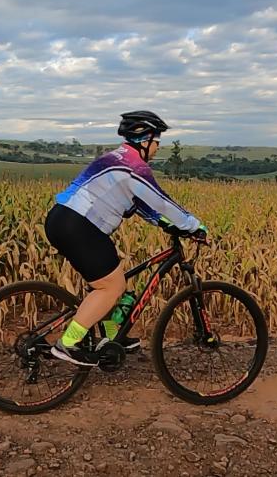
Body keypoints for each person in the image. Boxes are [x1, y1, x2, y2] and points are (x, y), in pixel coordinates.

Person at [44, 110, 207, 366]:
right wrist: (193, 226)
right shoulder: (134, 167)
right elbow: (162, 202)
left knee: (117, 276)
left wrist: (166, 225)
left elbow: (143, 207)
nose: (157, 148)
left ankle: (112, 337)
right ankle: (69, 343)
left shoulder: (115, 158)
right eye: (157, 142)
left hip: (63, 220)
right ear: (145, 140)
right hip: (79, 226)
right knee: (111, 286)